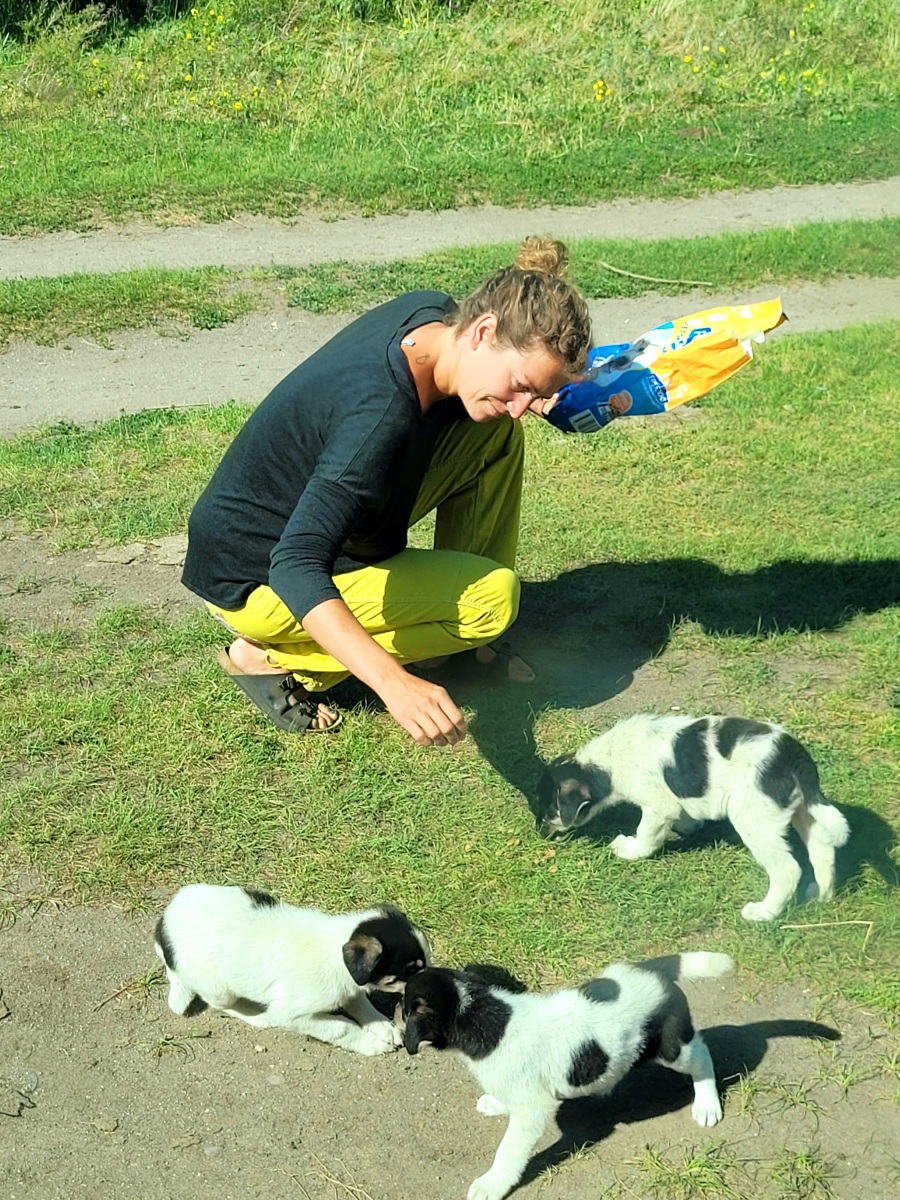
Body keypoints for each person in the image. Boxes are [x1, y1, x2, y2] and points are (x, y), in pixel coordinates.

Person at [181, 236, 592, 747]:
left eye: (536, 394)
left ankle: (457, 645)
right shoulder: (378, 419)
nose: (521, 406)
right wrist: (394, 684)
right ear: (484, 331)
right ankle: (266, 658)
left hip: (307, 524)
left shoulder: (433, 317)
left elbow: (488, 405)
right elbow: (295, 564)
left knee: (497, 436)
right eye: (521, 386)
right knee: (491, 600)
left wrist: (551, 391)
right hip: (256, 576)